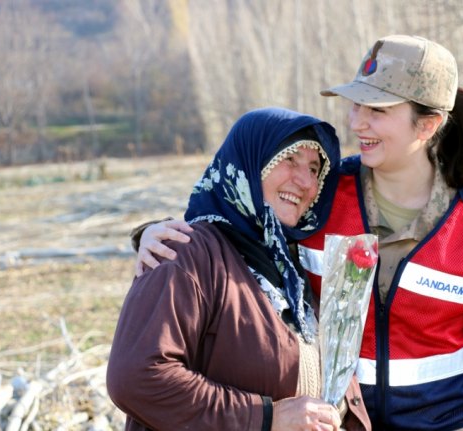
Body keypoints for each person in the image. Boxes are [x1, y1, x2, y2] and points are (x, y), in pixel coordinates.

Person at [133, 35, 463, 431]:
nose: (357, 123)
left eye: (377, 110)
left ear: (428, 125)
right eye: (356, 106)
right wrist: (158, 235)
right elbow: (239, 226)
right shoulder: (322, 198)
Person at [107, 107, 371, 431]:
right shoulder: (185, 253)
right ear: (250, 162)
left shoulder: (290, 267)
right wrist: (265, 418)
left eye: (315, 169)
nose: (305, 181)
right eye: (290, 159)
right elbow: (137, 378)